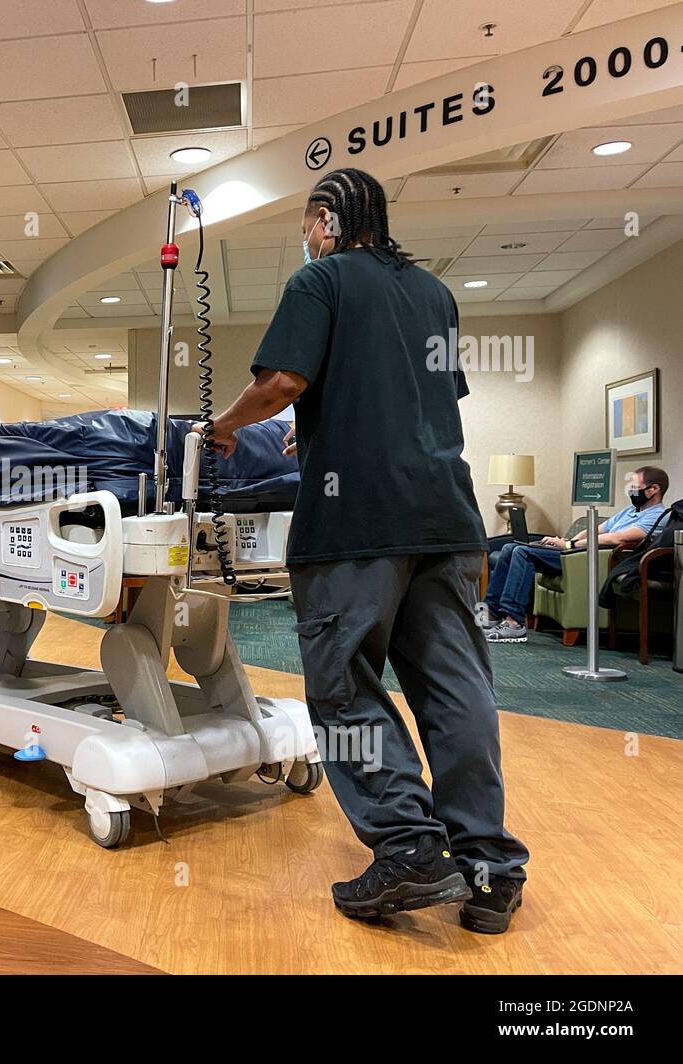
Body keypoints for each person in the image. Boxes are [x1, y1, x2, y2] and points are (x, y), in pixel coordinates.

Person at [204, 167, 528, 934]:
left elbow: (283, 379)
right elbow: (422, 402)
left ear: (325, 219)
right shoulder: (435, 294)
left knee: (345, 688)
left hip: (357, 527)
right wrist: (314, 424)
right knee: (455, 690)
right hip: (445, 520)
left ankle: (410, 847)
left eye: (307, 223)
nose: (306, 236)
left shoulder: (320, 280)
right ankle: (489, 870)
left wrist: (224, 425)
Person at [485, 466, 670, 642]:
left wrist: (569, 544)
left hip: (594, 561)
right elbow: (595, 530)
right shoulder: (629, 511)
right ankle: (491, 614)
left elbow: (617, 539)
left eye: (635, 487)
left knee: (522, 552)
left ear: (654, 489)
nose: (631, 492)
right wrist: (564, 541)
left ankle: (514, 623)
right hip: (578, 554)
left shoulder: (658, 516)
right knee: (510, 548)